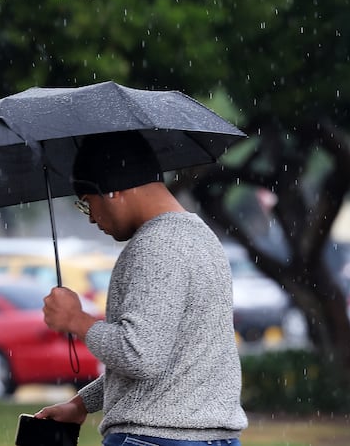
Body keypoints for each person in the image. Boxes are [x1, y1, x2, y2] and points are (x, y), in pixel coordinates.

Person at [36, 130, 248, 446]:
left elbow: (140, 355)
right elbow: (171, 359)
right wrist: (81, 405)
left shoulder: (155, 246)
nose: (92, 219)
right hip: (213, 438)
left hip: (154, 438)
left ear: (112, 191)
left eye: (86, 204)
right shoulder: (201, 237)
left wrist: (76, 320)